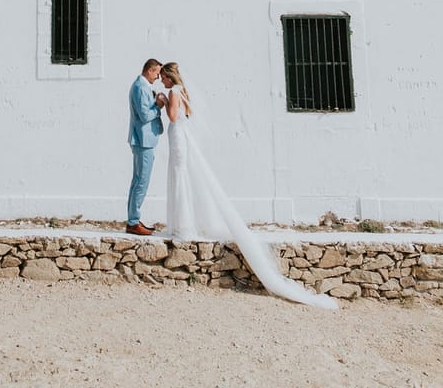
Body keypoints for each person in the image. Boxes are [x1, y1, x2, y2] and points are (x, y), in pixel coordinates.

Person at [159, 61, 337, 310]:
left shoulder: (174, 92)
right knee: (183, 178)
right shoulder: (183, 92)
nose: (162, 83)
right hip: (182, 137)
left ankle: (183, 225)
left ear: (169, 77)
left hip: (178, 137)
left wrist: (165, 101)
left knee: (179, 177)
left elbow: (174, 116)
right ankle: (183, 222)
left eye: (163, 79)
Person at [126, 58, 166, 236]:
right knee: (142, 181)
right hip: (143, 140)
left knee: (137, 181)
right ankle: (133, 222)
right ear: (150, 70)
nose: (158, 77)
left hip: (143, 139)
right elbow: (144, 115)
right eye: (157, 73)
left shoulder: (140, 86)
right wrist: (158, 106)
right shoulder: (141, 87)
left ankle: (133, 219)